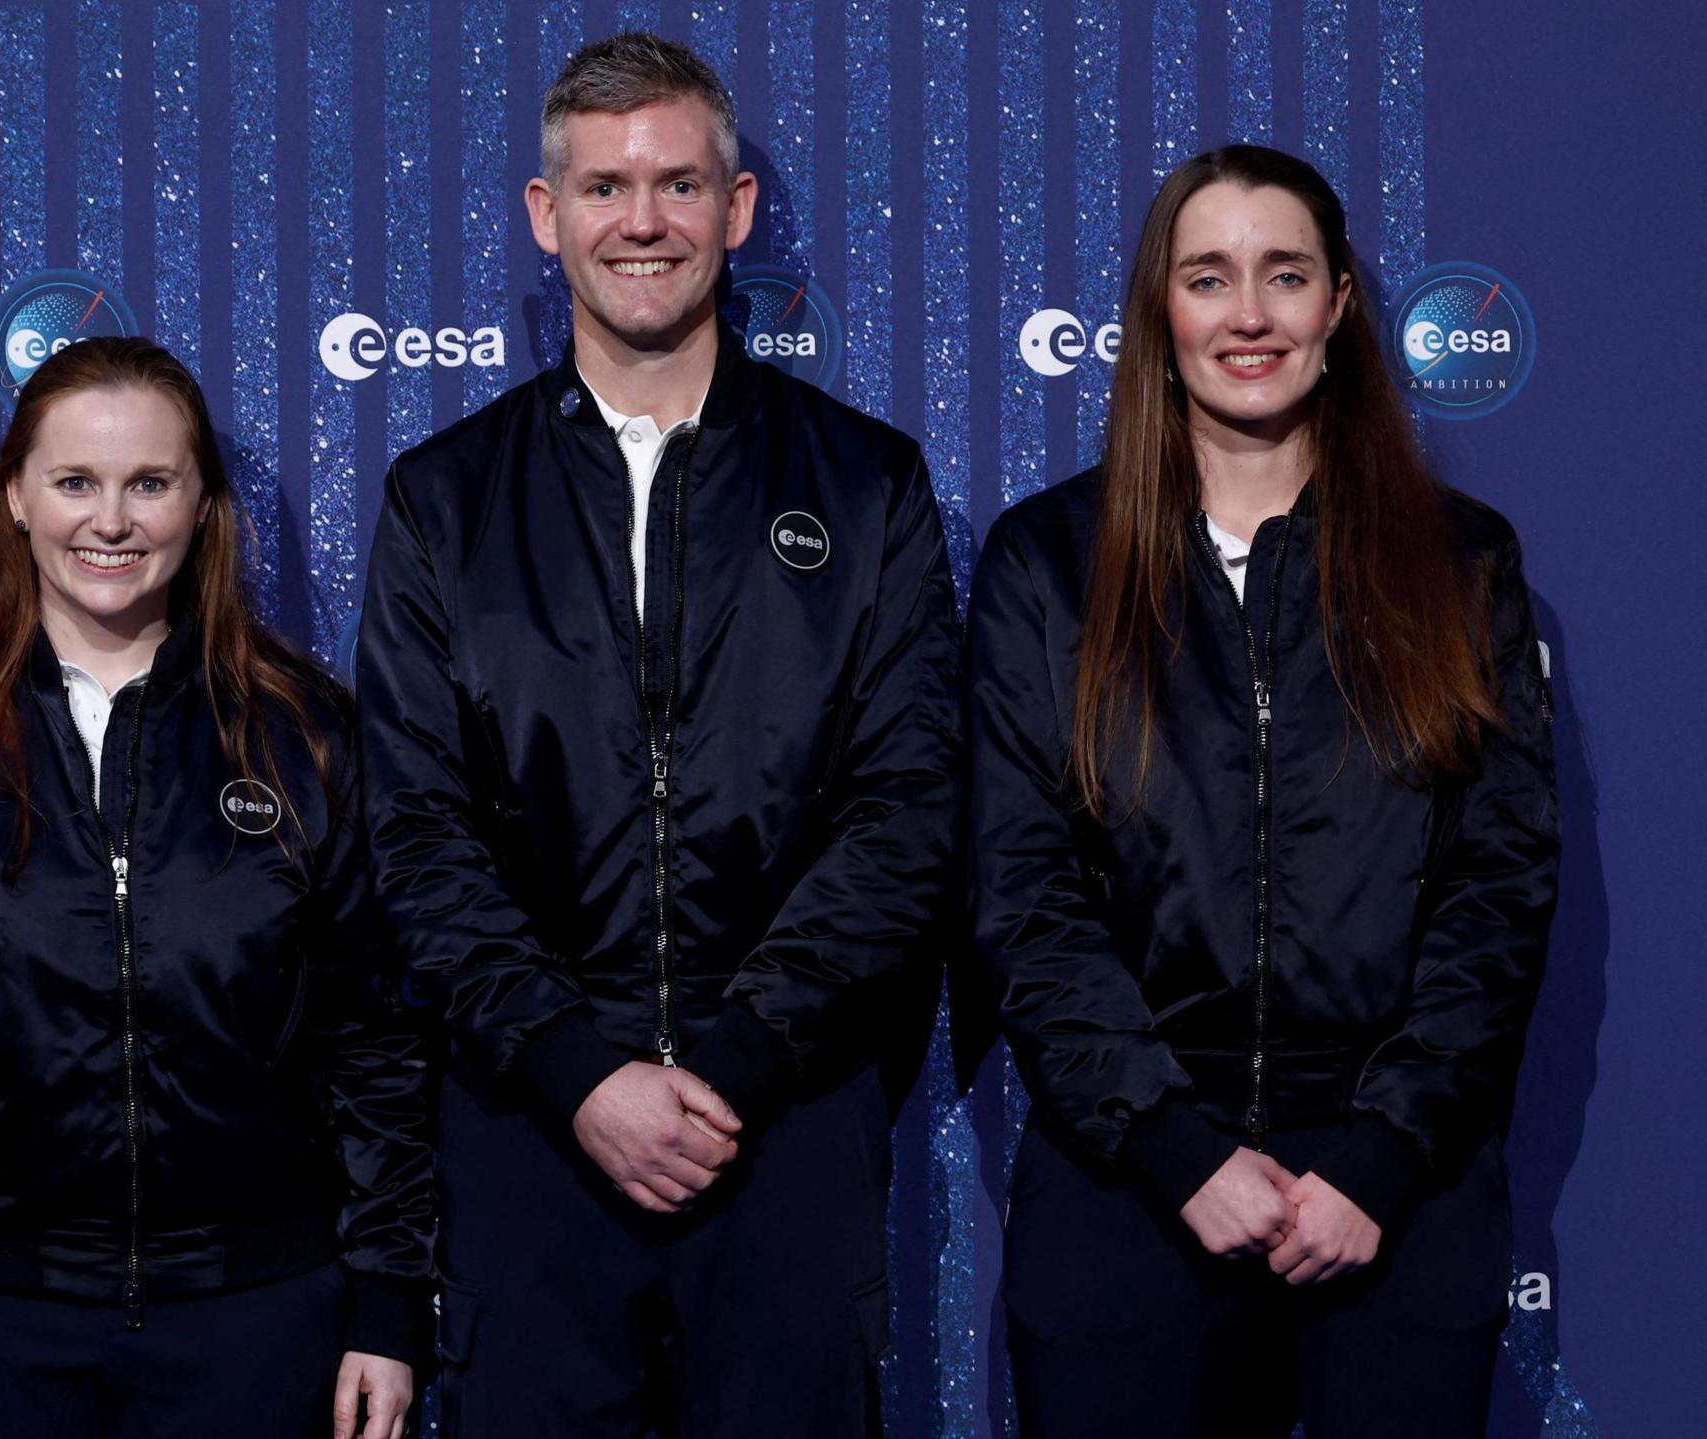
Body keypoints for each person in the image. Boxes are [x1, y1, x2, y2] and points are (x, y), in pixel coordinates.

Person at [357, 32, 959, 1438]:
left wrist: (738, 1055)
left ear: (736, 210)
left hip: (787, 1122)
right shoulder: (444, 499)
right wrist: (578, 1067)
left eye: (680, 185)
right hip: (528, 1128)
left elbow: (905, 810)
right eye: (608, 185)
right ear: (546, 212)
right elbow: (415, 830)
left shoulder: (869, 485)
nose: (644, 221)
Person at [969, 143, 1558, 1437]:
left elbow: (1498, 891)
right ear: (1159, 310)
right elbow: (1021, 893)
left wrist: (1382, 1154)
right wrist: (1179, 1148)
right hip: (1131, 1188)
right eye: (1210, 276)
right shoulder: (1047, 565)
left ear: (1340, 306)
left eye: (1285, 275)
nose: (1249, 314)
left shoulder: (1462, 566)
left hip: (1397, 1199)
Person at [0, 337, 432, 1439]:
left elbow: (373, 1040)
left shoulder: (306, 737)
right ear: (16, 498)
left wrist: (384, 1299)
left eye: (150, 482)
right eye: (75, 482)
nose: (112, 521)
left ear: (201, 506)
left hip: (246, 1308)